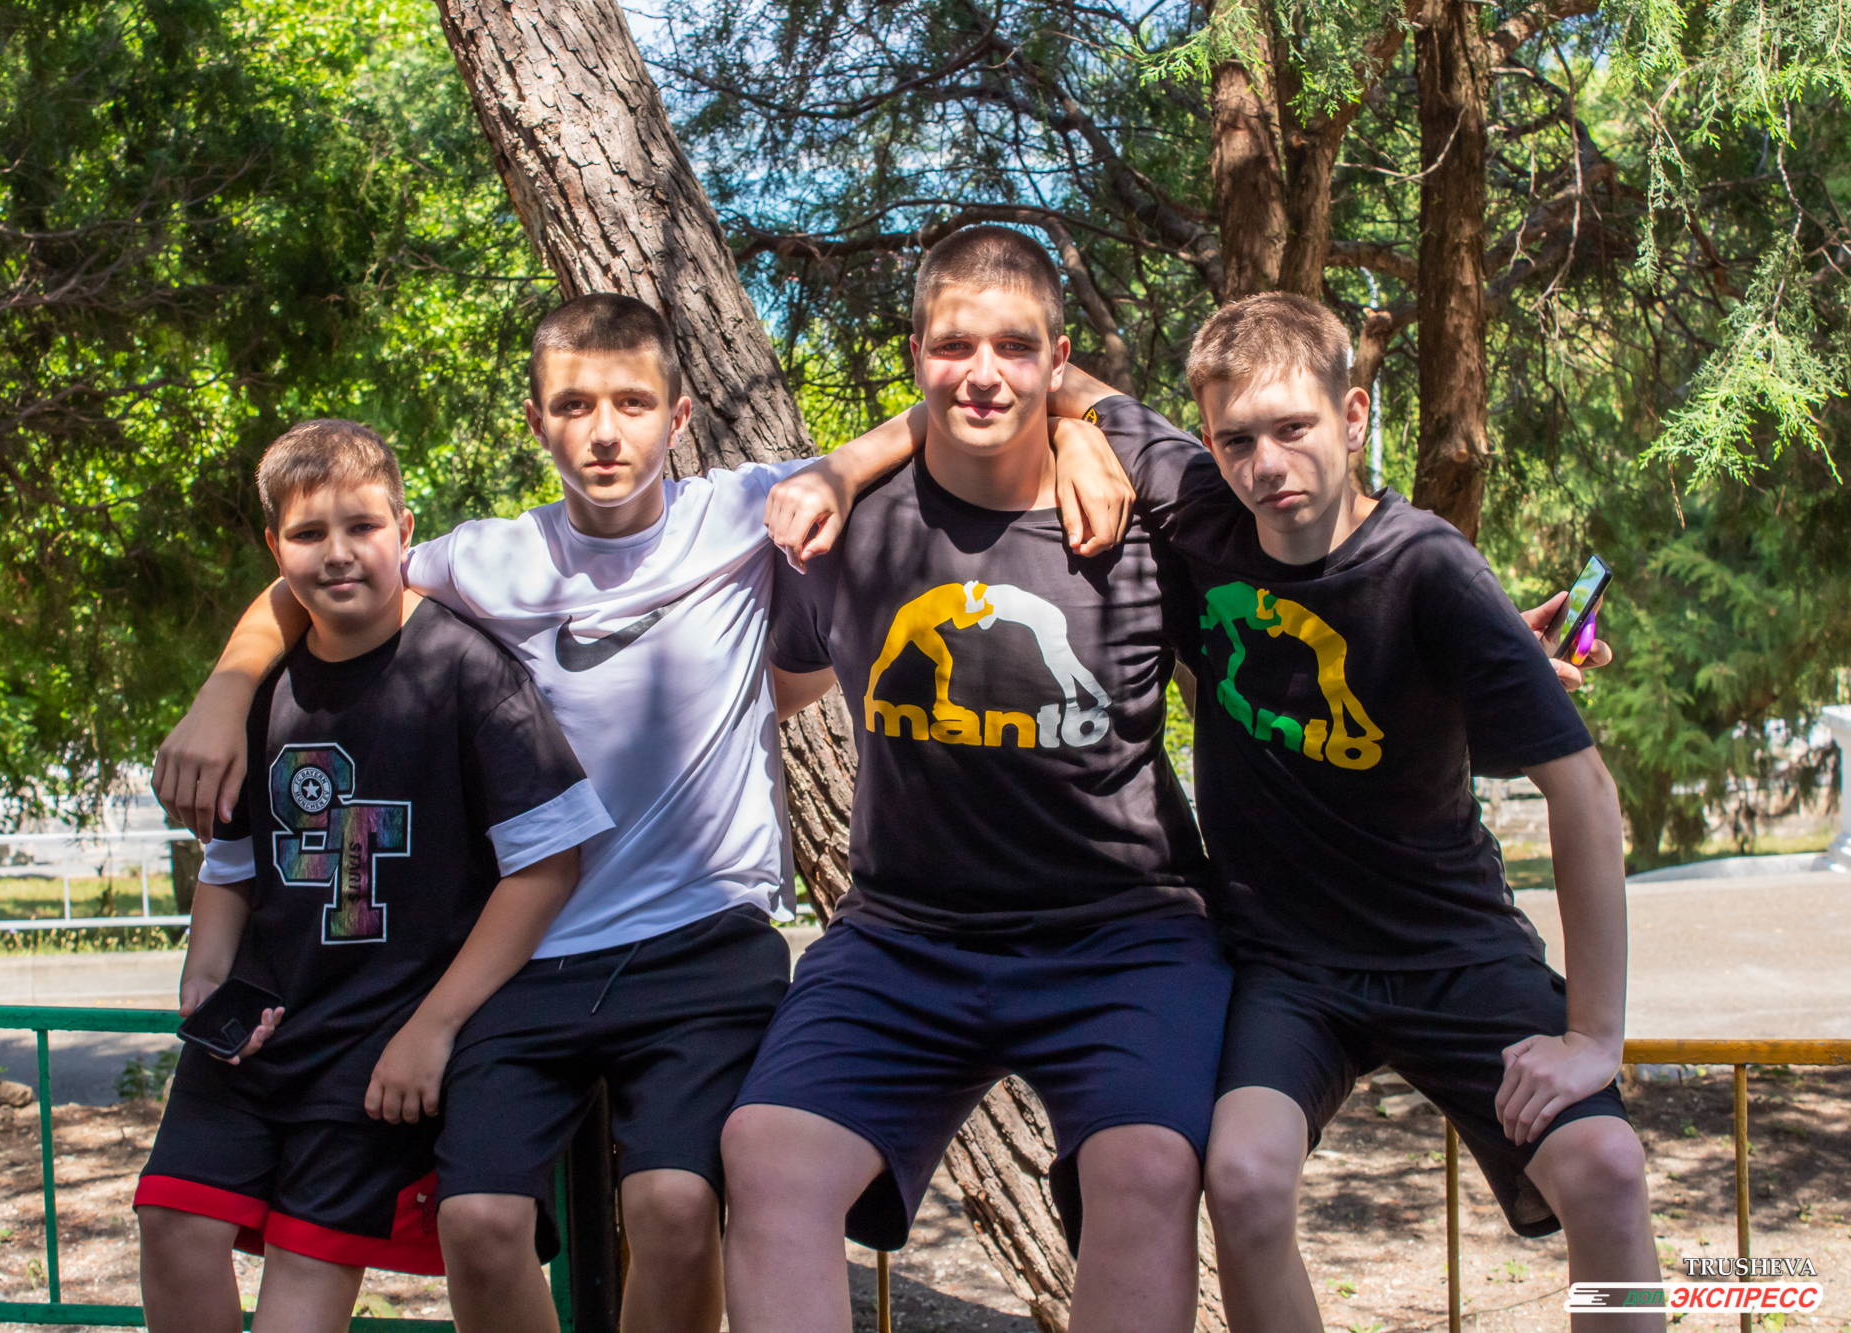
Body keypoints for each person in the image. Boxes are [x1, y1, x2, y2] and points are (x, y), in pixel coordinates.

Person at [150, 292, 1136, 1333]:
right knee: (477, 1221)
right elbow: (313, 580)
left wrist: (1078, 425)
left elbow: (935, 418)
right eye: (574, 405)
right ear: (535, 421)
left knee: (672, 1206)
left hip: (701, 945)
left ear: (678, 417)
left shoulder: (743, 514)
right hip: (527, 961)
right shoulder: (482, 560)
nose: (604, 431)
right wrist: (224, 691)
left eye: (631, 403)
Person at [1057, 292, 1660, 1331]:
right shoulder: (1199, 502)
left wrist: (1594, 1036)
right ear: (1206, 440)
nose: (1267, 464)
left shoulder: (1432, 569)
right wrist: (1075, 431)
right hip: (1287, 965)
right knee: (1242, 1181)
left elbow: (1584, 792)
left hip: (1452, 947)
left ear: (1352, 415)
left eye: (1294, 427)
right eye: (1236, 440)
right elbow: (1053, 373)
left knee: (1606, 1165)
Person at [725, 225, 1232, 1333]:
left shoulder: (1140, 523)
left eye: (1015, 347)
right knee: (764, 1154)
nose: (983, 373)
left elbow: (1287, 622)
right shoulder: (845, 533)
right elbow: (773, 687)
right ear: (914, 355)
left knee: (1148, 1169)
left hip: (1125, 934)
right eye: (954, 346)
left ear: (1059, 361)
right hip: (904, 937)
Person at [135, 419, 612, 1333]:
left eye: (362, 526)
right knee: (171, 1222)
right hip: (257, 1034)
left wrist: (433, 1028)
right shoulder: (258, 689)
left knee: (301, 1289)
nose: (338, 552)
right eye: (308, 534)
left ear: (404, 528)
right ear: (275, 549)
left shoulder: (468, 669)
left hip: (375, 1045)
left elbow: (547, 865)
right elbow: (232, 865)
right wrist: (207, 975)